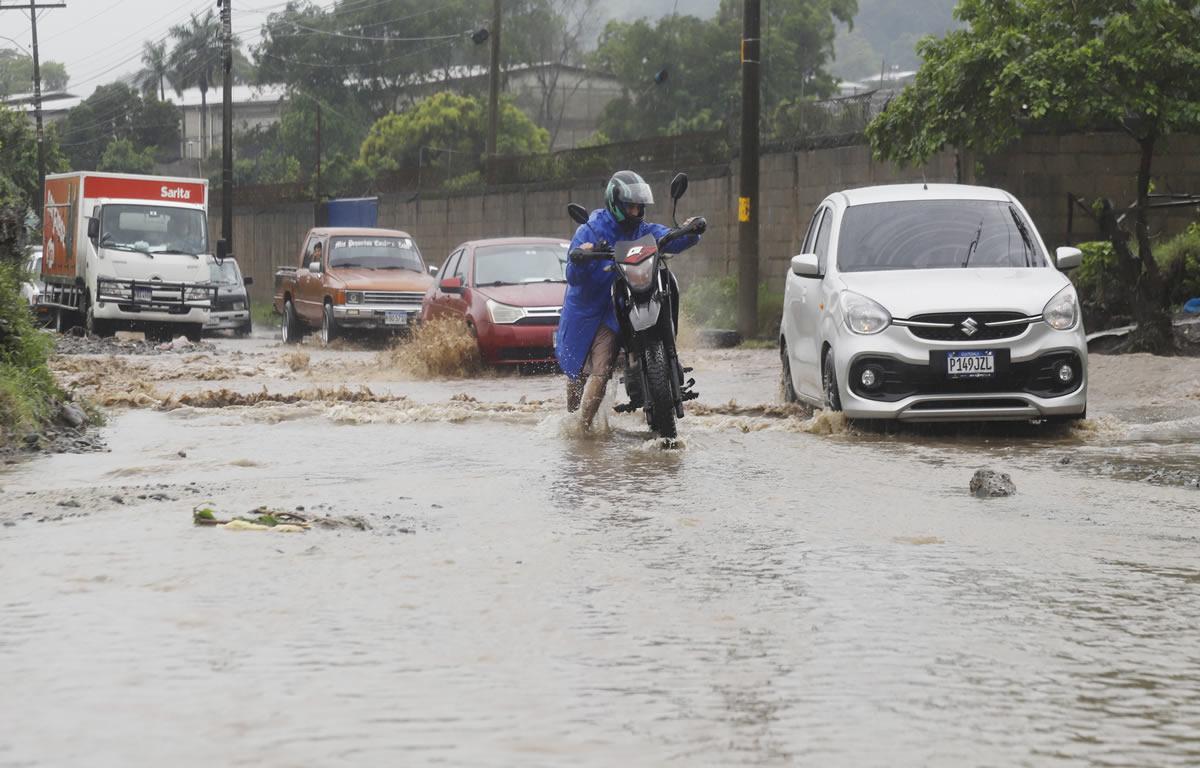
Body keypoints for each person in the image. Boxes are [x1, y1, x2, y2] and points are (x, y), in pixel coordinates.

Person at [555, 170, 703, 430]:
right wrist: (583, 255)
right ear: (616, 203)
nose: (636, 211)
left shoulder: (642, 230)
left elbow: (667, 238)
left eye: (639, 206)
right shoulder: (589, 230)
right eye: (630, 206)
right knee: (576, 373)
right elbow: (573, 275)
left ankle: (584, 426)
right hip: (585, 309)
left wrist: (690, 231)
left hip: (617, 308)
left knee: (601, 370)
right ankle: (576, 431)